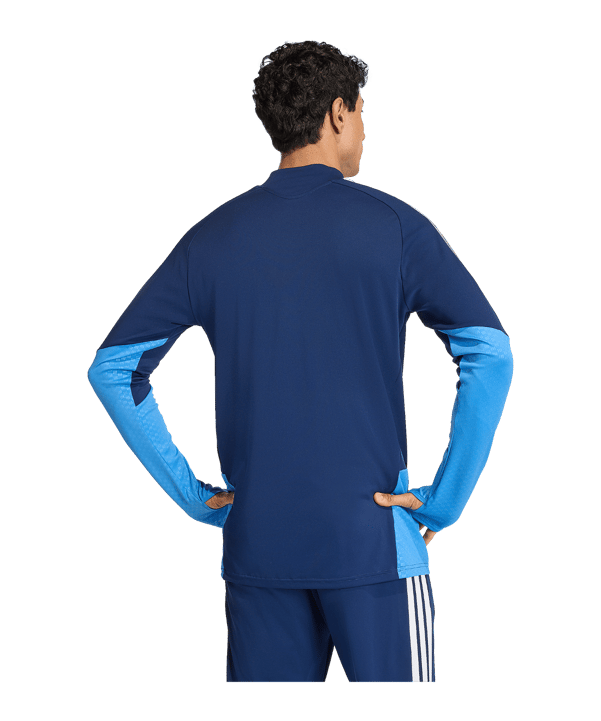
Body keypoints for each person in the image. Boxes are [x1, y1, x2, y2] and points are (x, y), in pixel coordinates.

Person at [86, 39, 514, 683]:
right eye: (362, 113)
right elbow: (491, 352)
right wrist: (442, 503)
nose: (364, 130)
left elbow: (114, 369)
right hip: (374, 545)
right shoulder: (395, 226)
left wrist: (197, 497)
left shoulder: (213, 236)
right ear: (339, 112)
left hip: (259, 549)